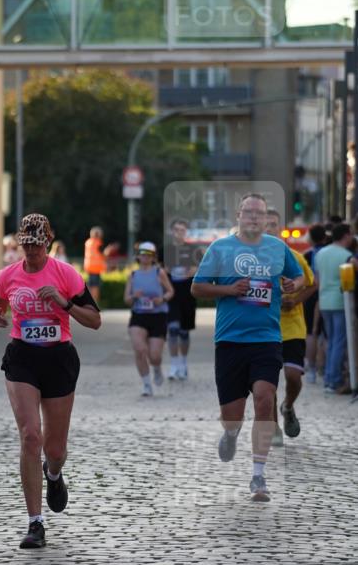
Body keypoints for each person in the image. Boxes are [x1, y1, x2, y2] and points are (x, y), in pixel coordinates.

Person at [0, 213, 101, 550]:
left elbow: (94, 320)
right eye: (27, 245)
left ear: (48, 243)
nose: (32, 251)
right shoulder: (8, 275)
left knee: (54, 448)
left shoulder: (65, 274)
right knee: (30, 436)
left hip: (58, 359)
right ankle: (35, 523)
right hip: (22, 357)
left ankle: (54, 474)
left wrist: (63, 304)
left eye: (37, 245)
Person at [191, 193, 304, 502]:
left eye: (261, 213)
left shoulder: (278, 248)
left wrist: (295, 286)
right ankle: (230, 433)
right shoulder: (220, 248)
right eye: (249, 212)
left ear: (267, 219)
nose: (255, 217)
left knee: (265, 400)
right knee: (232, 415)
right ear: (238, 216)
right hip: (229, 341)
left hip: (267, 339)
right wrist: (229, 289)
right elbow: (196, 287)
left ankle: (258, 475)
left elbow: (298, 277)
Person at [265, 209, 317, 441]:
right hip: (266, 328)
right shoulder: (253, 261)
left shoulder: (294, 257)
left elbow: (312, 284)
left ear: (280, 229)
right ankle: (273, 427)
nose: (269, 229)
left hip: (293, 325)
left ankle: (287, 406)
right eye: (265, 225)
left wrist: (295, 299)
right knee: (268, 382)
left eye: (273, 225)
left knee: (293, 376)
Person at [125, 242, 174, 397]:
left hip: (158, 316)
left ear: (153, 257)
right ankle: (147, 385)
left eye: (148, 254)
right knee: (139, 350)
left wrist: (163, 299)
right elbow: (126, 299)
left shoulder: (159, 272)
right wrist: (134, 297)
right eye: (142, 254)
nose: (145, 257)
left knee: (154, 356)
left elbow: (171, 291)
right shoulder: (133, 275)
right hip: (139, 315)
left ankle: (157, 369)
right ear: (138, 256)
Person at [314, 222, 355, 393]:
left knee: (330, 341)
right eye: (351, 234)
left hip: (324, 301)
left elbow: (317, 279)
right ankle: (334, 380)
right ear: (345, 235)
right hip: (340, 301)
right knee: (339, 341)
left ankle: (329, 378)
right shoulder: (347, 255)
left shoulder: (321, 253)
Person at [165, 218, 198, 380]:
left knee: (184, 332)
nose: (179, 233)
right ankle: (173, 364)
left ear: (186, 232)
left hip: (187, 292)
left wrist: (186, 271)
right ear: (172, 232)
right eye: (176, 230)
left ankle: (183, 362)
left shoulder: (192, 250)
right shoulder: (167, 250)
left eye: (182, 230)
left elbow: (195, 270)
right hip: (172, 293)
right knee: (172, 329)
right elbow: (163, 271)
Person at [303, 223, 328, 383]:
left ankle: (311, 369)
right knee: (327, 334)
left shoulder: (308, 255)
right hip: (328, 295)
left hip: (311, 295)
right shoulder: (329, 251)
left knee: (311, 333)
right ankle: (325, 369)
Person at [83, 225, 107, 303]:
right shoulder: (98, 243)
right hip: (96, 268)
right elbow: (104, 254)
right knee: (95, 287)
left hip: (89, 267)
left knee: (90, 286)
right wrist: (109, 250)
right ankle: (95, 303)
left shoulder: (88, 242)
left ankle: (89, 303)